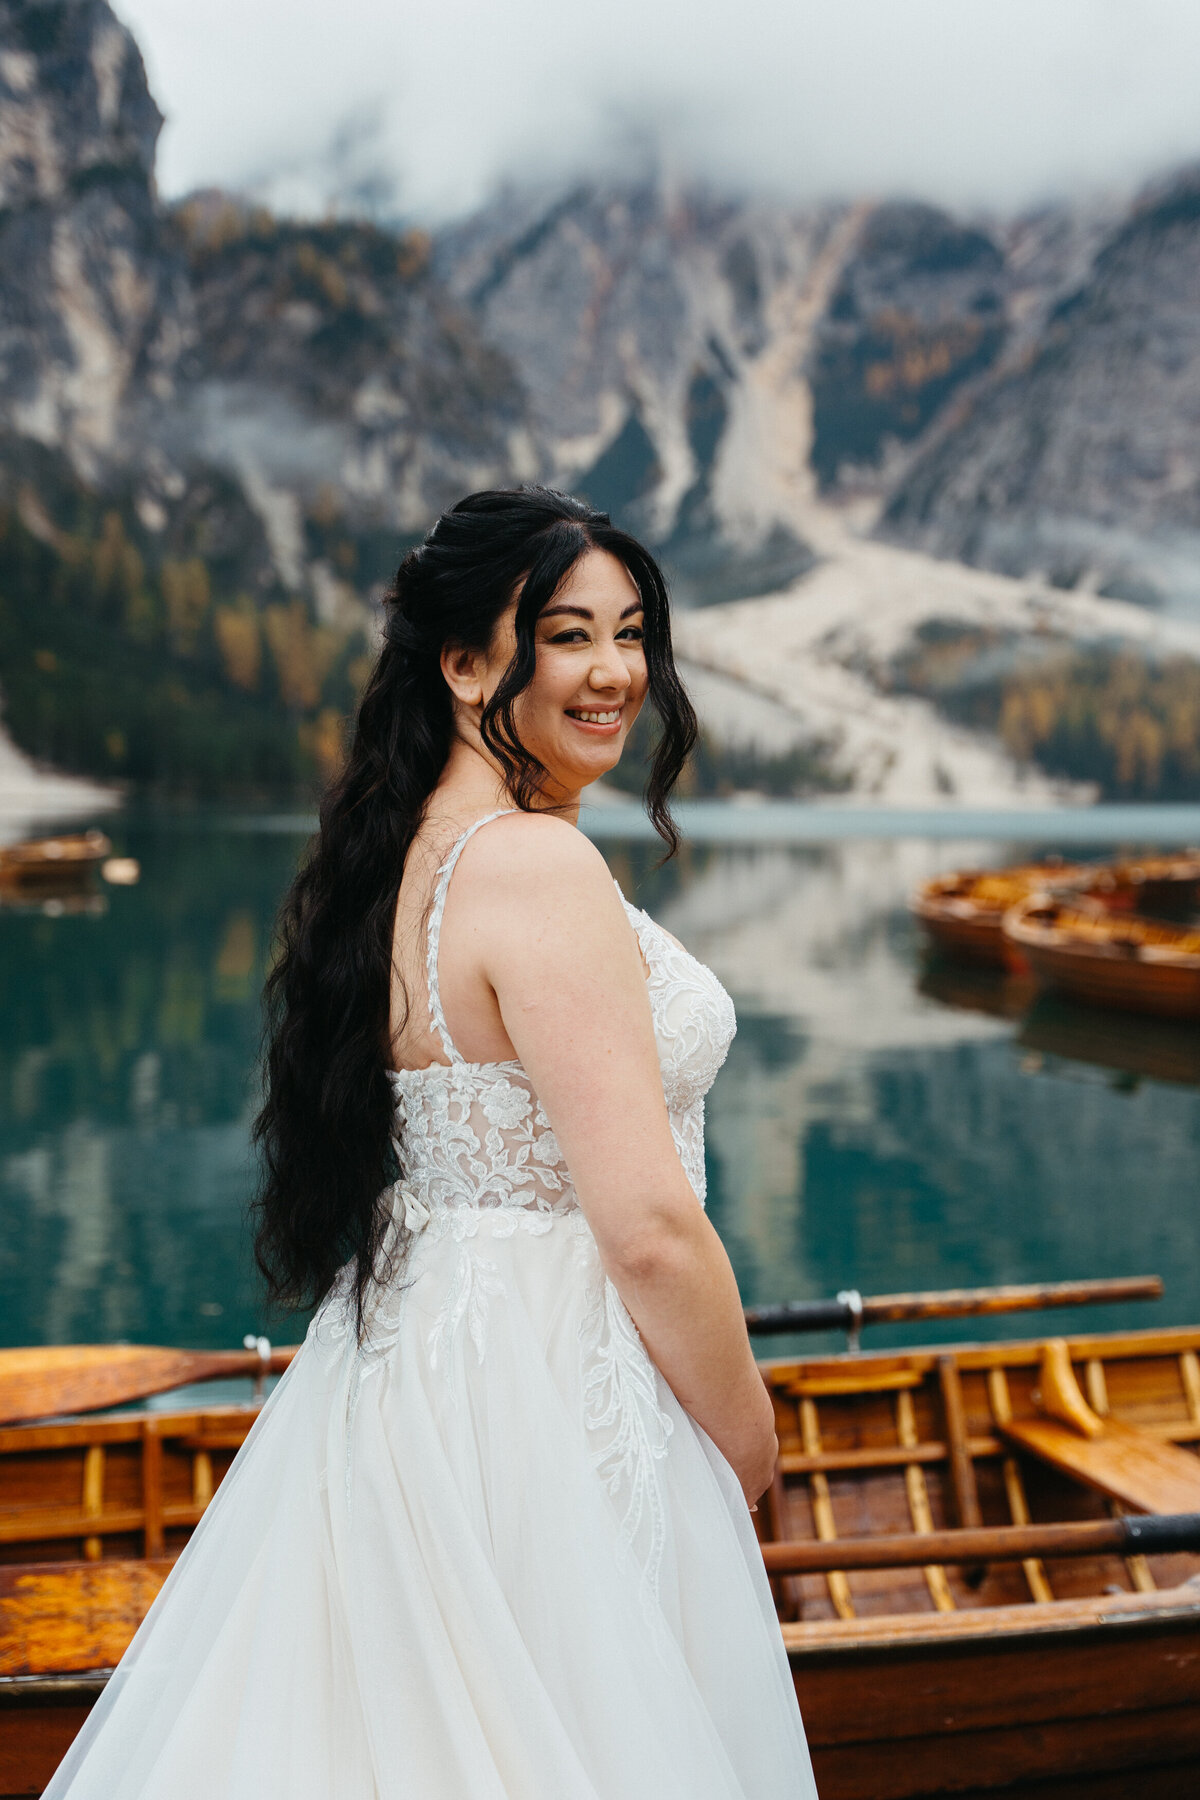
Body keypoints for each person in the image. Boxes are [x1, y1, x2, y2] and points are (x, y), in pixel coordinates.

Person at [45, 486, 816, 1798]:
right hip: (558, 1388)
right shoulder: (538, 868)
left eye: (632, 633)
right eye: (565, 635)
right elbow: (643, 1230)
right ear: (464, 664)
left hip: (411, 1374)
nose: (615, 671)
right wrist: (747, 1437)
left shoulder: (406, 852)